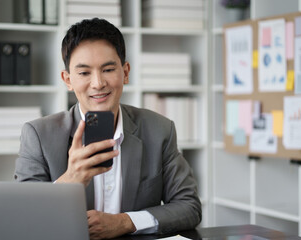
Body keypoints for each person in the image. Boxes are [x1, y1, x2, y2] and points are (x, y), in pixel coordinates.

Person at [15, 18, 201, 239]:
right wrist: (70, 180)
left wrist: (124, 222)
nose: (98, 83)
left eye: (108, 69)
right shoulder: (38, 135)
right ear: (67, 79)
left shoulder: (159, 130)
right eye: (84, 73)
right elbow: (22, 219)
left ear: (125, 72)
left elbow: (189, 207)